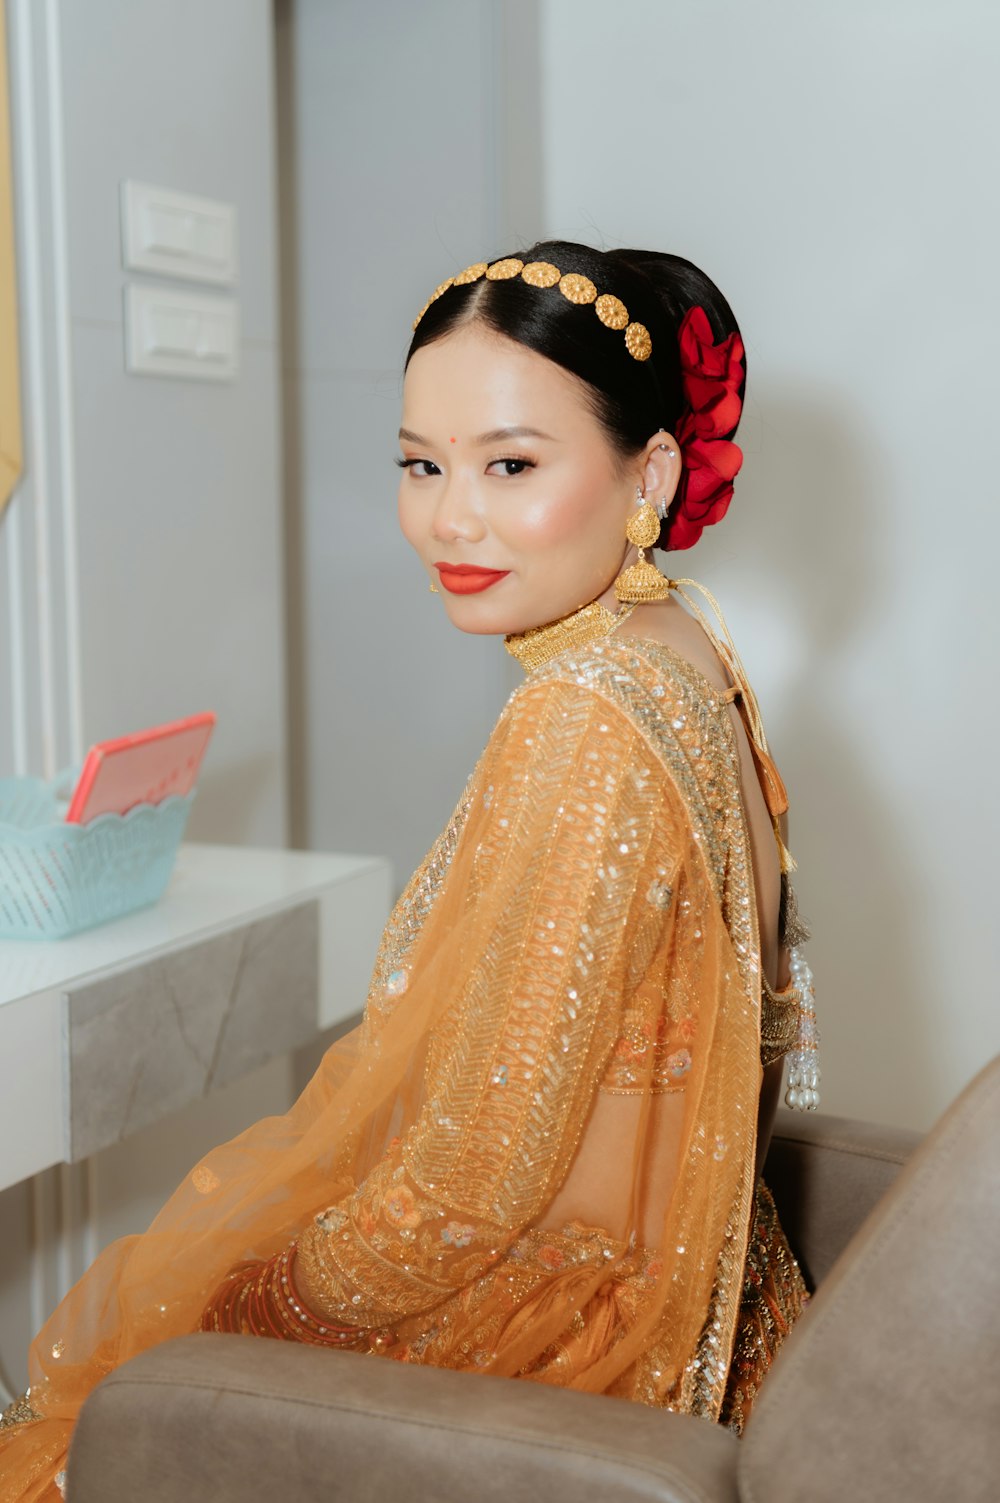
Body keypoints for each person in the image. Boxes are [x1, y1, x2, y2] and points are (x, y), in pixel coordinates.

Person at [0, 240, 822, 1498]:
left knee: (112, 1395)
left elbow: (478, 1184)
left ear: (647, 468)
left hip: (582, 1355)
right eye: (418, 465)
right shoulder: (682, 641)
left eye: (510, 465)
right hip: (715, 1296)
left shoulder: (581, 718)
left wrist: (253, 1301)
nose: (450, 518)